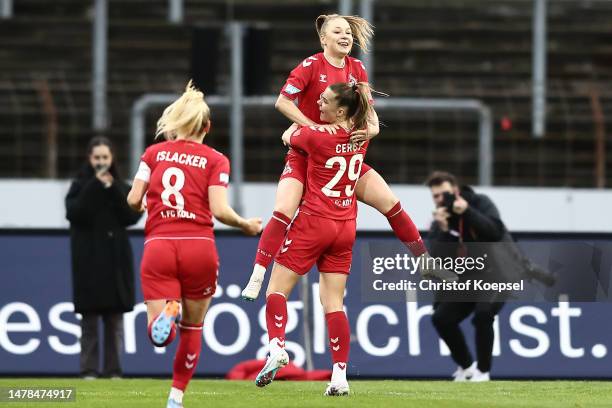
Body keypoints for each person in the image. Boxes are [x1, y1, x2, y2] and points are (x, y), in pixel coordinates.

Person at [242, 14, 436, 300]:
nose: (346, 36)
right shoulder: (310, 66)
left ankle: (425, 261)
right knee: (283, 209)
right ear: (324, 39)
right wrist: (314, 129)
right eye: (338, 32)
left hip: (342, 161)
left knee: (391, 203)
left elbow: (370, 115)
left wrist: (370, 131)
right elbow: (282, 101)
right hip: (305, 156)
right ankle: (257, 275)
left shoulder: (357, 68)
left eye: (348, 32)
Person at [126, 81, 262, 408]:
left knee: (160, 337)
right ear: (207, 127)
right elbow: (219, 210)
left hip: (159, 244)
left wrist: (141, 206)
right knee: (193, 327)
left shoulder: (153, 154)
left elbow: (132, 199)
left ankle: (167, 315)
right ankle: (176, 398)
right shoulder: (216, 160)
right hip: (198, 246)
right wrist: (245, 224)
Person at [254, 81, 371, 396]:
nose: (319, 103)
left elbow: (287, 135)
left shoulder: (315, 136)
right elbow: (368, 119)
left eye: (326, 100)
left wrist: (304, 124)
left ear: (341, 110)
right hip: (345, 226)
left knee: (276, 289)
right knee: (334, 304)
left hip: (314, 222)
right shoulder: (363, 136)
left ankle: (277, 346)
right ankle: (339, 375)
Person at [65, 136, 142, 379]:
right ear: (89, 159)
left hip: (115, 263)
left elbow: (132, 216)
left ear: (112, 159)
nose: (101, 162)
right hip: (88, 263)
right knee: (89, 322)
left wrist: (112, 188)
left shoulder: (120, 186)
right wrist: (94, 186)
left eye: (105, 158)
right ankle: (88, 370)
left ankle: (113, 371)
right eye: (97, 158)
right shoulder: (79, 185)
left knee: (114, 321)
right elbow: (75, 213)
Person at [426, 171, 507, 382]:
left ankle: (483, 371)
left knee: (483, 314)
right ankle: (467, 367)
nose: (440, 200)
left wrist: (468, 212)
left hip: (497, 274)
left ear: (455, 190)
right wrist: (444, 231)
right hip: (467, 280)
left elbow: (496, 232)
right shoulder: (440, 218)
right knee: (441, 318)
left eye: (444, 194)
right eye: (435, 196)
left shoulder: (480, 202)